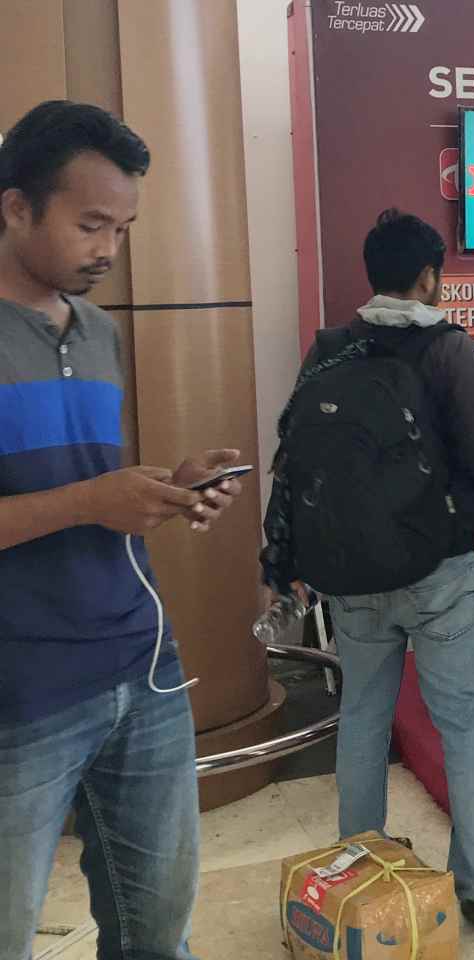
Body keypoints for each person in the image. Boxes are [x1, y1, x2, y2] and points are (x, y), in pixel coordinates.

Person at [0, 100, 246, 959]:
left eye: (124, 227)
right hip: (20, 692)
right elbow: (79, 497)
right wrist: (87, 503)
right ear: (16, 207)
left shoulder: (99, 330)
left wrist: (168, 491)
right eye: (91, 223)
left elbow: (83, 481)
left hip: (142, 669)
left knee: (157, 935)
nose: (109, 249)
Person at [263, 210, 474, 919]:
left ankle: (361, 874)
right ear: (430, 278)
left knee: (364, 717)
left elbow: (300, 456)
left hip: (350, 573)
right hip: (438, 571)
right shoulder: (447, 348)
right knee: (464, 725)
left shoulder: (330, 349)